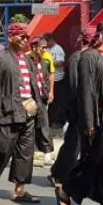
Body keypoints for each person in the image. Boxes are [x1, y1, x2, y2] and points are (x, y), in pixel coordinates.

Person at [57, 21, 103, 205]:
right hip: (98, 121)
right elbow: (86, 91)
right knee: (91, 161)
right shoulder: (89, 57)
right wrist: (89, 122)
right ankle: (65, 188)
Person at [0, 23, 42, 204]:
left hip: (28, 111)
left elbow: (32, 85)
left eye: (27, 37)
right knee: (1, 149)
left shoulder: (27, 60)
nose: (25, 40)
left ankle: (20, 190)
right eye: (22, 36)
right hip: (8, 111)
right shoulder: (0, 59)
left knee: (25, 152)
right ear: (11, 37)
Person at [48, 25, 95, 187]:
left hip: (87, 109)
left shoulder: (91, 56)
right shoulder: (77, 57)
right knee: (73, 144)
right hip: (77, 109)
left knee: (79, 144)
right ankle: (58, 173)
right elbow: (75, 85)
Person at [30, 37, 56, 166]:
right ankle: (34, 152)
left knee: (44, 124)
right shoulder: (27, 59)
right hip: (31, 98)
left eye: (46, 47)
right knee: (32, 125)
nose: (45, 50)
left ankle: (47, 153)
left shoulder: (46, 58)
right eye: (42, 47)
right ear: (34, 47)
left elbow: (50, 75)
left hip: (43, 96)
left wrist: (51, 91)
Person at [45, 33, 67, 129]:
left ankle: (56, 121)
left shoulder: (57, 49)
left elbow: (60, 62)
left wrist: (48, 62)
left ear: (50, 40)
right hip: (50, 79)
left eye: (46, 41)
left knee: (56, 102)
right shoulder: (49, 49)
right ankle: (49, 120)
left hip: (58, 79)